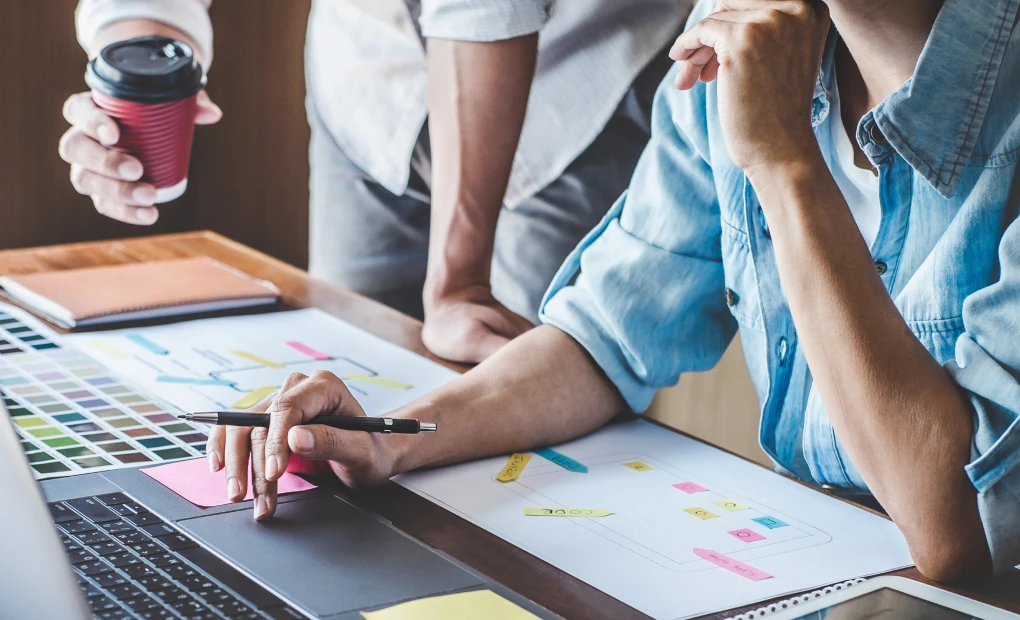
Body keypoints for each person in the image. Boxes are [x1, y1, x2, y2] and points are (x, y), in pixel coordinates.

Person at [213, 0, 1020, 583]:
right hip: (825, 577)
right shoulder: (745, 32)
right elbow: (604, 334)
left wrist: (782, 163)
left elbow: (960, 536)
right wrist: (394, 438)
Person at [59, 1, 687, 364]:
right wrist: (139, 51)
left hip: (574, 92)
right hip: (367, 81)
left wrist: (459, 283)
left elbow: (482, 10)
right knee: (344, 375)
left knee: (528, 415)